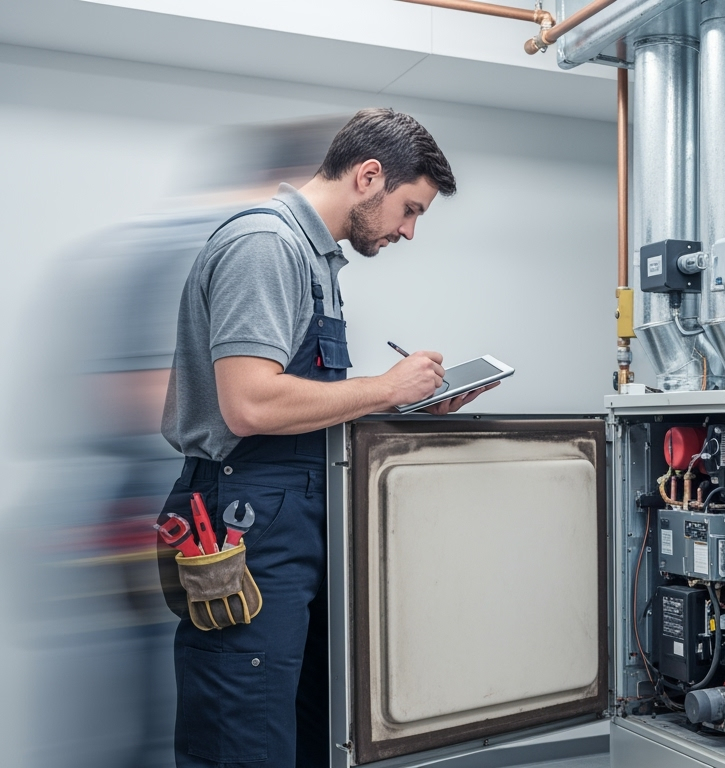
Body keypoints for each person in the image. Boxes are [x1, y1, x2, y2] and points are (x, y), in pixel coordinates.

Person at [155, 108, 491, 767]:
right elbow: (249, 403)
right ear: (369, 176)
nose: (410, 231)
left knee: (307, 729)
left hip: (290, 524)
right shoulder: (266, 245)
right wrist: (386, 387)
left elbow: (298, 407)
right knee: (244, 738)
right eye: (410, 208)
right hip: (246, 521)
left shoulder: (313, 261)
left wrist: (409, 407)